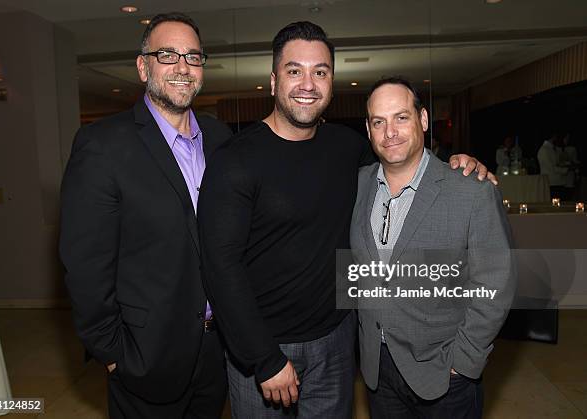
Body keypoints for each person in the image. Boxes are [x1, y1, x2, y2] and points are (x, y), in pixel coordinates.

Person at [198, 21, 493, 419]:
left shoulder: (348, 147)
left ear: (332, 83)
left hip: (337, 342)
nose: (308, 83)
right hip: (265, 350)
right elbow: (220, 267)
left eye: (320, 72)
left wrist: (456, 163)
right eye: (294, 70)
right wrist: (263, 358)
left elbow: (405, 163)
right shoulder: (234, 159)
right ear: (273, 81)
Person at [59, 12, 232, 419]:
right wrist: (113, 353)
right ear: (143, 66)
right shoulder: (102, 146)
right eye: (167, 55)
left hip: (217, 353)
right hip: (144, 358)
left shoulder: (221, 140)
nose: (182, 68)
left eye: (192, 57)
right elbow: (85, 265)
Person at [351, 77, 515, 418]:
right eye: (378, 122)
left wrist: (464, 362)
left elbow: (495, 285)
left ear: (423, 120)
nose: (390, 132)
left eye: (401, 117)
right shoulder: (357, 185)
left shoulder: (471, 190)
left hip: (444, 375)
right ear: (368, 130)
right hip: (377, 370)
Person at [537, 134, 568, 199]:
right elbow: (551, 168)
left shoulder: (552, 148)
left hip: (558, 182)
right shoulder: (544, 150)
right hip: (551, 183)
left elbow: (556, 164)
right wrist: (567, 169)